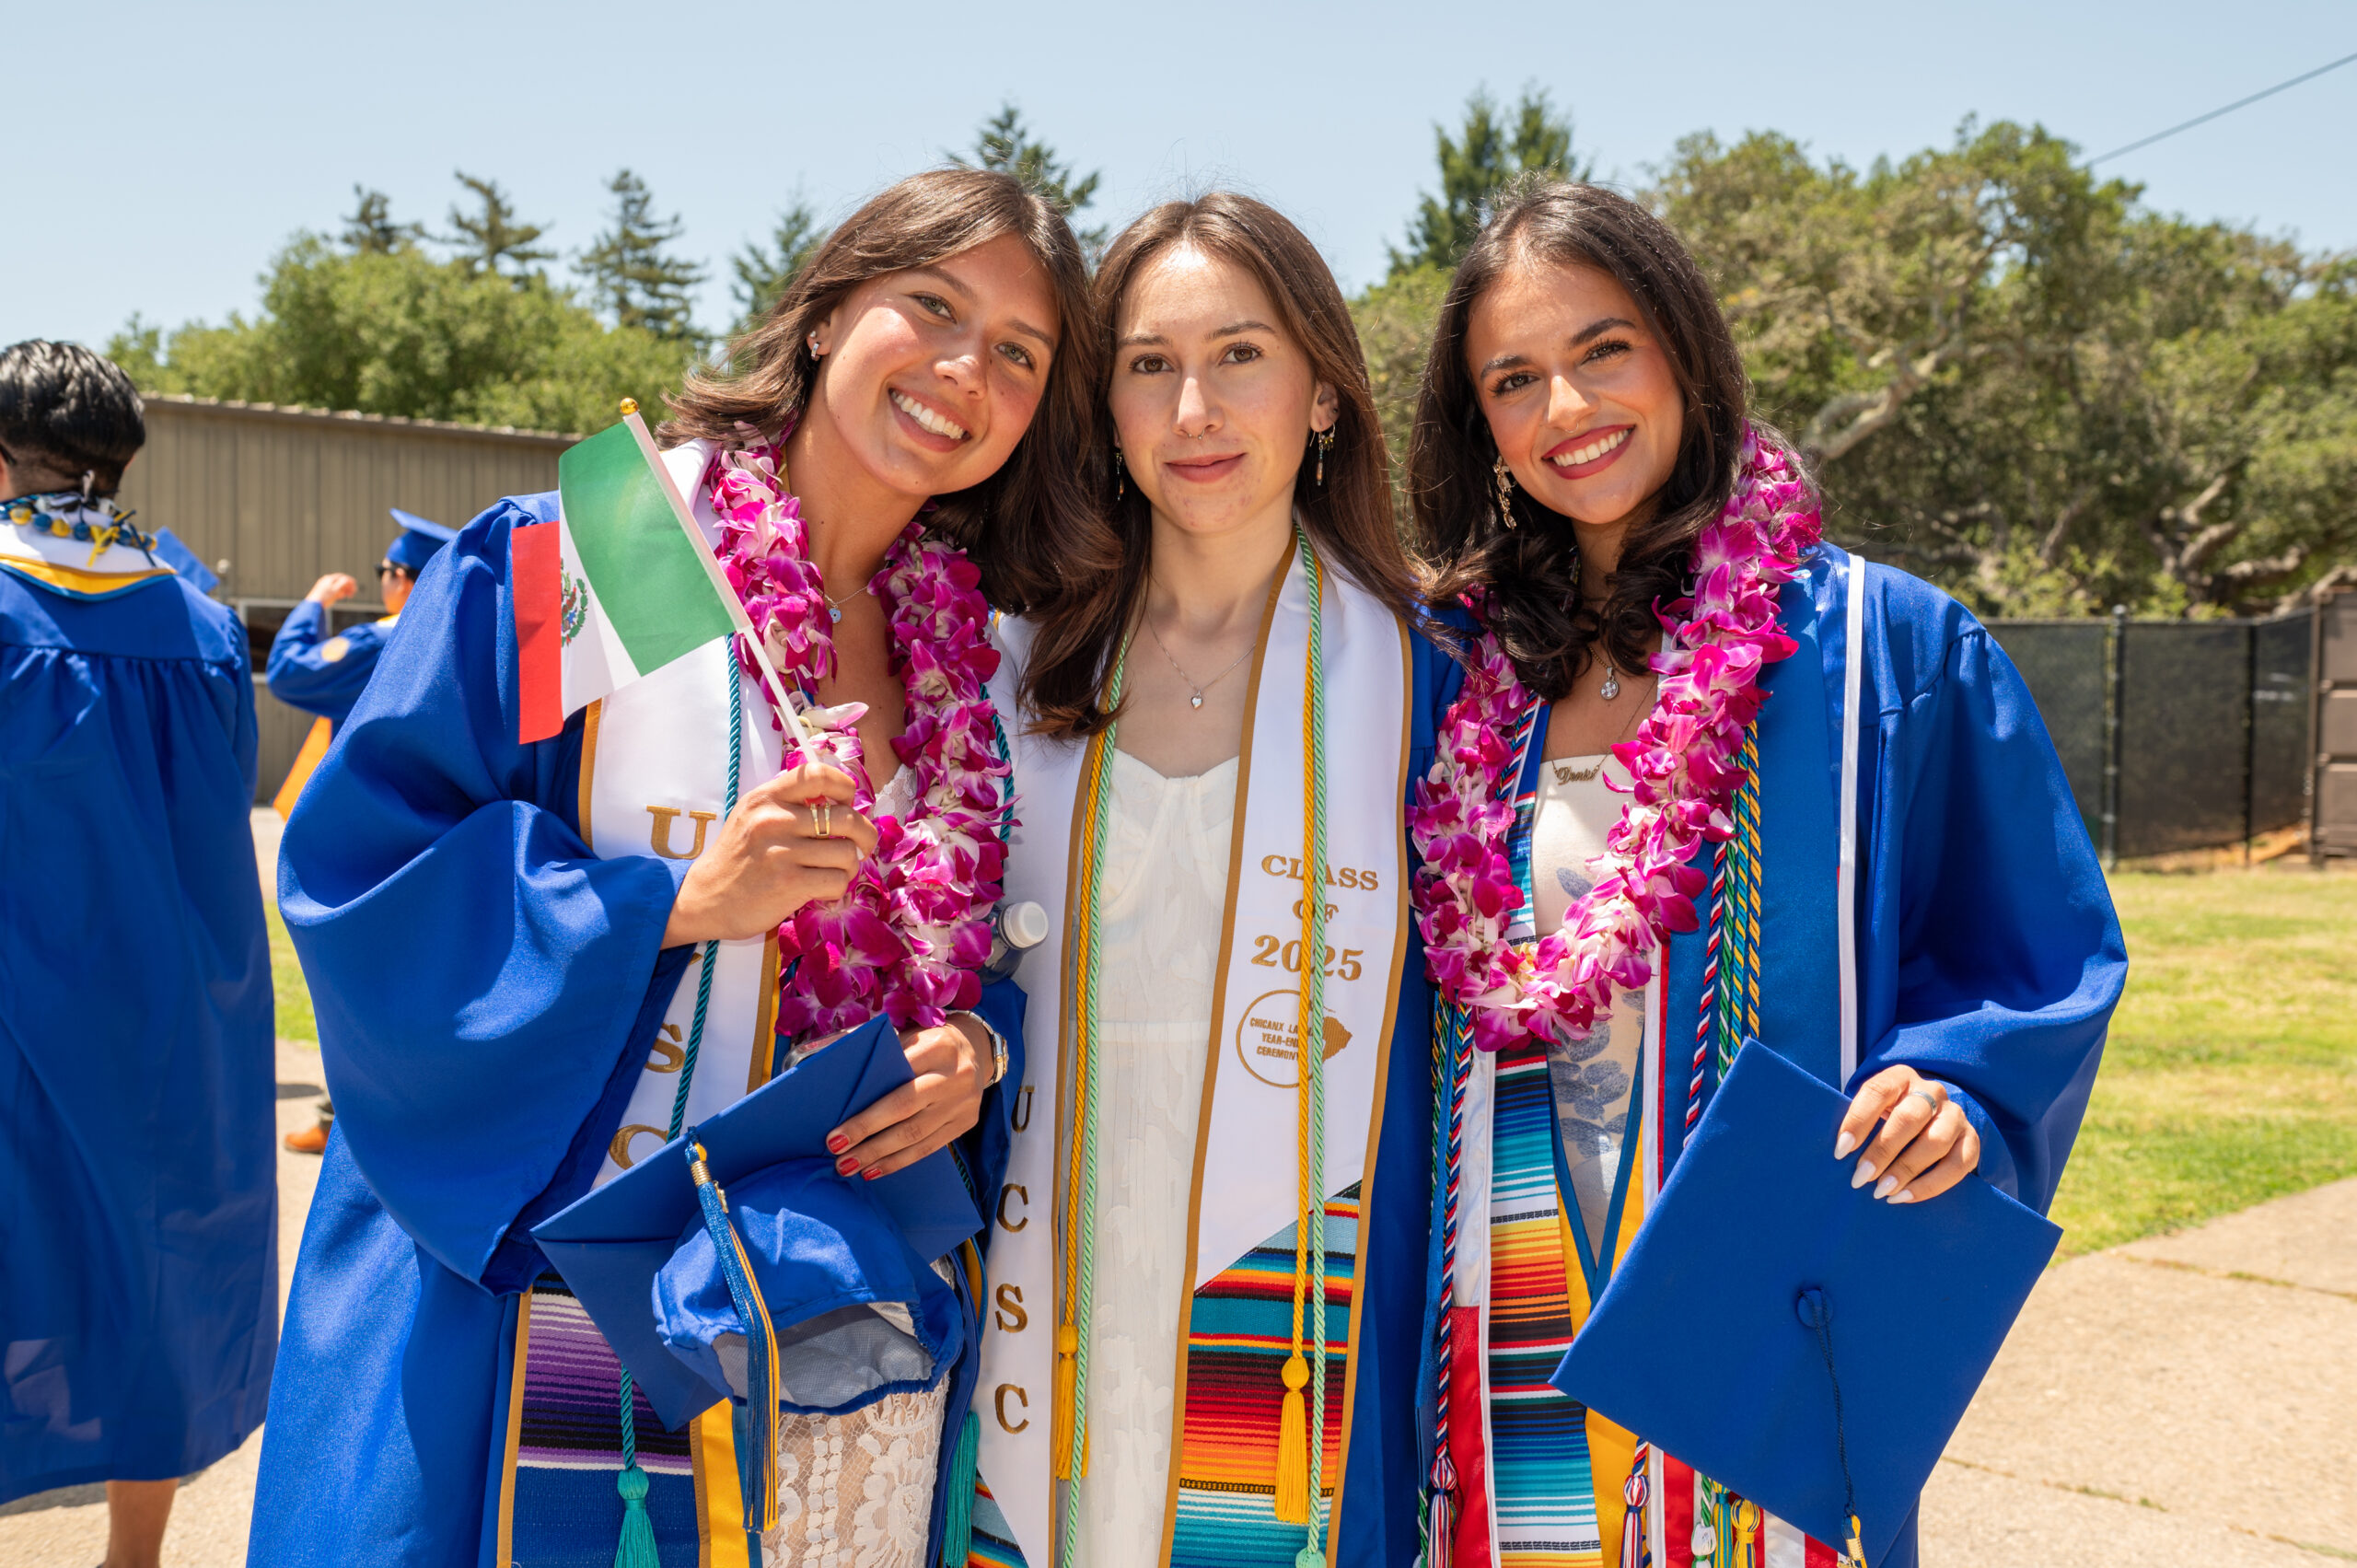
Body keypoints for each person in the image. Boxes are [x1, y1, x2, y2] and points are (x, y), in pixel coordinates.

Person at [247, 168, 1102, 1568]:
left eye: (1020, 352)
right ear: (827, 315)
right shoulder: (606, 556)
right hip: (562, 1289)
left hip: (841, 1317)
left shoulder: (993, 666)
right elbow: (370, 864)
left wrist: (976, 1051)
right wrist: (672, 904)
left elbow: (1020, 948)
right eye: (932, 307)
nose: (967, 370)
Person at [1401, 181, 2126, 1568]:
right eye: (1515, 377)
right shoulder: (1453, 674)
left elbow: (2031, 949)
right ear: (1479, 421)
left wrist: (1958, 1083)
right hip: (1500, 1302)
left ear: (1682, 346)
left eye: (1604, 347)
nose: (1567, 405)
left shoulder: (1881, 645)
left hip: (1765, 1296)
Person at [969, 192, 1440, 1568]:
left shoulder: (1427, 676)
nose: (1195, 410)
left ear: (1326, 396)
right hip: (1042, 1251)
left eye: (1241, 353)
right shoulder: (1006, 662)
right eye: (1148, 363)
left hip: (1296, 1283)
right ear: (1102, 405)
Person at [0, 341, 276, 1568]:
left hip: (19, 999)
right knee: (155, 1266)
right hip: (171, 1015)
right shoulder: (202, 623)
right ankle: (135, 1556)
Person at [268, 509, 454, 1154]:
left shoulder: (384, 639)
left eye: (389, 571)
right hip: (434, 838)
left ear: (408, 579)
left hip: (365, 841)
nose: (383, 581)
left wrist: (316, 602)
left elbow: (291, 669)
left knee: (352, 984)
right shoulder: (458, 639)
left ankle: (342, 1120)